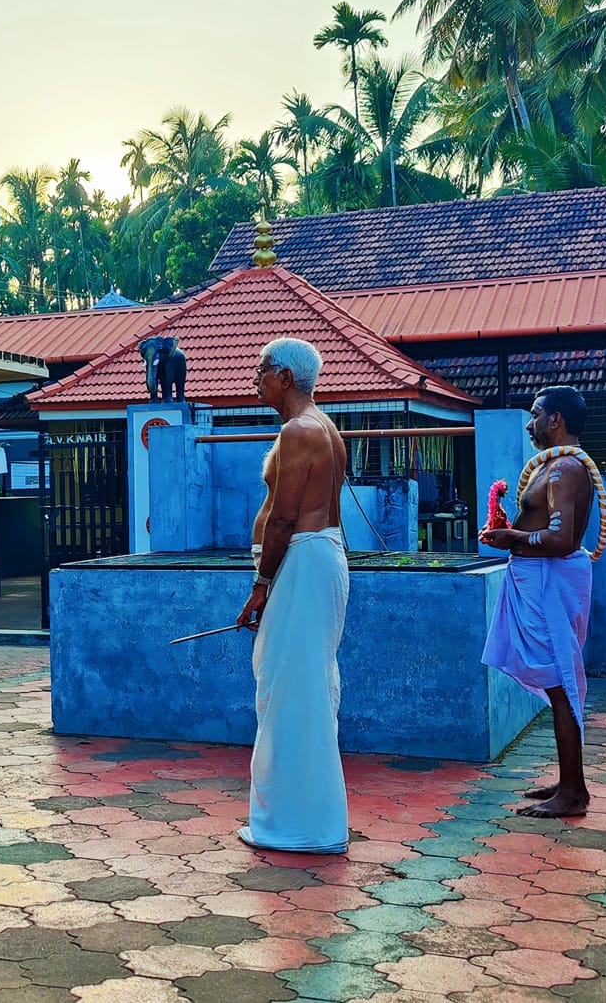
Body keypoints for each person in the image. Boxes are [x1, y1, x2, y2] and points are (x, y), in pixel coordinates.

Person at [232, 338, 350, 855]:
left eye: (261, 371)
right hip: (314, 559)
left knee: (293, 692)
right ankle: (300, 820)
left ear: (284, 376)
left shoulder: (300, 430)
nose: (255, 379)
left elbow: (282, 517)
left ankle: (301, 828)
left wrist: (260, 585)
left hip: (300, 561)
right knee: (300, 685)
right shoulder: (325, 427)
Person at [478, 386, 604, 819]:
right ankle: (570, 781)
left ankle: (572, 793)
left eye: (535, 415)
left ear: (555, 420)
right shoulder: (556, 467)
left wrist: (512, 538)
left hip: (548, 581)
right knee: (558, 684)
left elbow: (563, 539)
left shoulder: (565, 469)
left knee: (561, 685)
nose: (530, 424)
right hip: (536, 579)